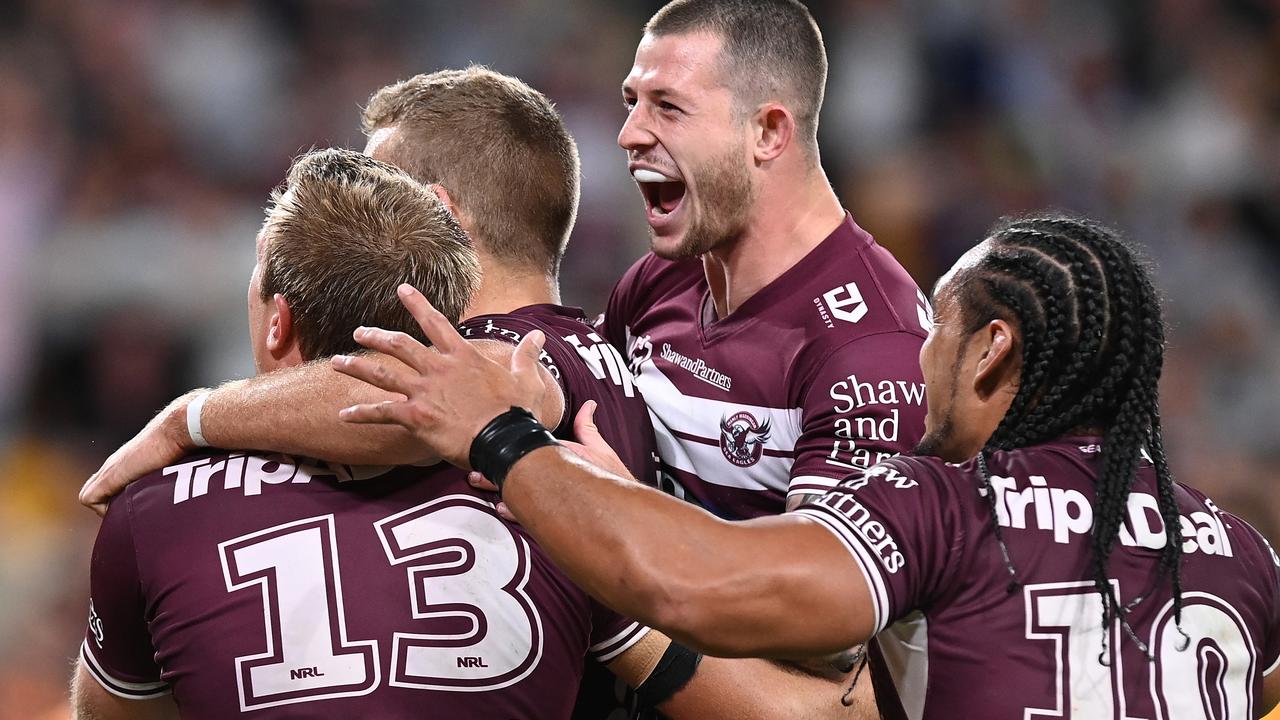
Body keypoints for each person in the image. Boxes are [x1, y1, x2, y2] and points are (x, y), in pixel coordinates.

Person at [76, 71, 867, 718]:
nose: (358, 220)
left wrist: (197, 416)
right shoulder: (591, 359)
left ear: (440, 215)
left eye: (379, 190)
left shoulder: (534, 357)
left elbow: (421, 403)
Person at [334, 214, 1280, 719]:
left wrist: (501, 438)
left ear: (989, 350)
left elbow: (701, 587)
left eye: (936, 329)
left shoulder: (942, 502)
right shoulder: (1241, 551)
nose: (918, 357)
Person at [604, 0, 928, 519]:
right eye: (632, 102)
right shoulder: (666, 275)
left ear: (768, 132)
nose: (630, 134)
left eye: (667, 106)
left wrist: (615, 506)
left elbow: (812, 594)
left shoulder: (872, 352)